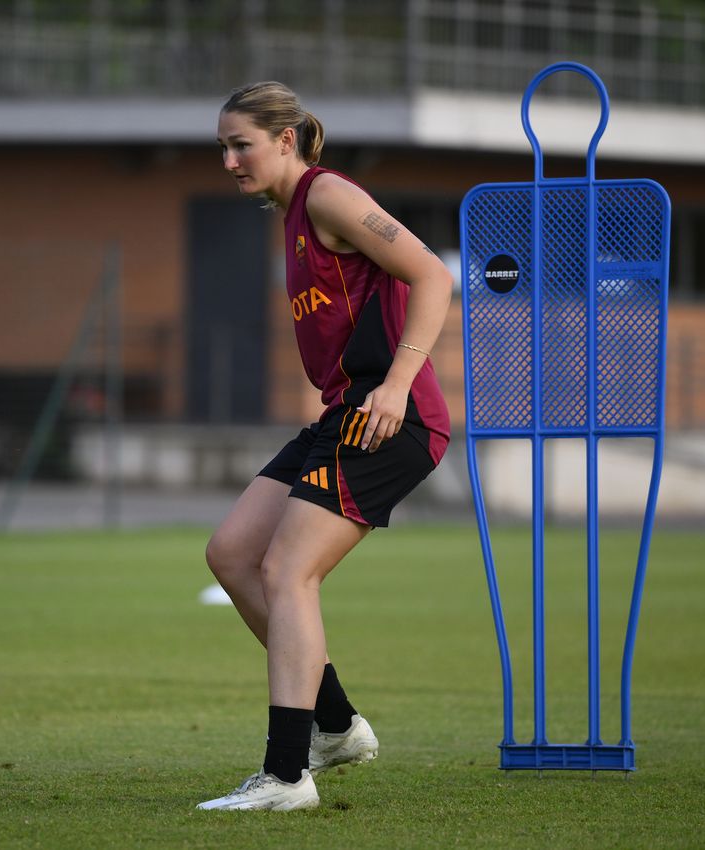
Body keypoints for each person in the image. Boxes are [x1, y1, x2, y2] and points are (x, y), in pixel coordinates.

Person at [197, 82, 453, 812]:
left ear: (285, 139)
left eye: (239, 143)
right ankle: (335, 727)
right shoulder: (288, 216)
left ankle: (285, 776)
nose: (228, 159)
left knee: (286, 569)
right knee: (233, 554)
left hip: (388, 418)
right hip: (342, 413)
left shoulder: (326, 194)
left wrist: (399, 382)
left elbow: (432, 274)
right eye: (220, 147)